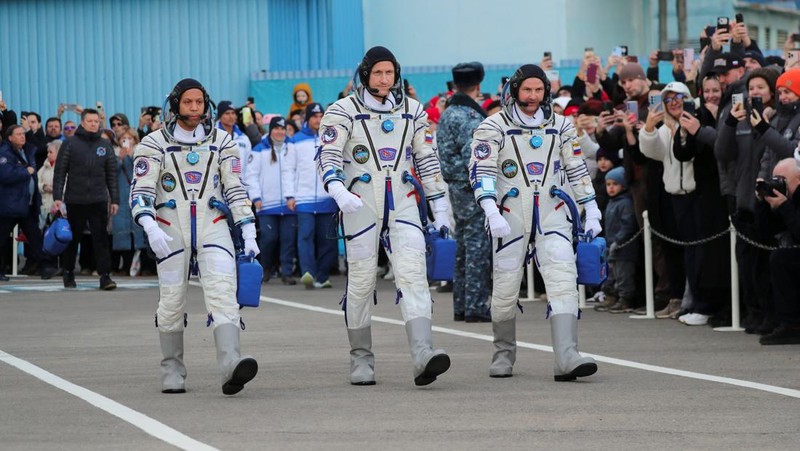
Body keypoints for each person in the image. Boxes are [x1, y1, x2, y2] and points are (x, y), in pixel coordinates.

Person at [317, 46, 453, 386]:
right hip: (359, 204)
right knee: (361, 281)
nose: (383, 79)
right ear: (365, 75)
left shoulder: (413, 111)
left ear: (396, 75)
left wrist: (440, 208)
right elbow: (328, 155)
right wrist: (338, 190)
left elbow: (427, 160)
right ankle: (361, 358)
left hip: (404, 204)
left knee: (413, 274)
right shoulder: (342, 111)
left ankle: (423, 353)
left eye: (388, 73)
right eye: (377, 73)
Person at [469, 64, 600, 381]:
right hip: (509, 215)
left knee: (563, 278)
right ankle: (503, 352)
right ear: (514, 91)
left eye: (538, 90)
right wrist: (490, 210)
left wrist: (591, 208)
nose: (532, 97)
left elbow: (576, 169)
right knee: (505, 287)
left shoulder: (561, 126)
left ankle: (567, 356)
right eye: (527, 90)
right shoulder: (493, 127)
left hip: (553, 214)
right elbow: (481, 173)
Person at [130, 78, 259, 395]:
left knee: (223, 293)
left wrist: (249, 229)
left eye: (199, 102)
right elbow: (141, 192)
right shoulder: (152, 145)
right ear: (175, 105)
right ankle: (172, 370)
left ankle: (231, 366)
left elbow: (235, 190)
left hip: (213, 224)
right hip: (169, 227)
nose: (194, 108)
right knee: (172, 300)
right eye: (188, 102)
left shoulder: (223, 143)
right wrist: (150, 226)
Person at [436, 61, 491, 322]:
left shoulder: (449, 112)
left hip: (456, 187)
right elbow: (475, 158)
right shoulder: (469, 116)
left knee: (464, 248)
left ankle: (461, 304)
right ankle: (476, 306)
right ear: (478, 85)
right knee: (477, 246)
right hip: (472, 188)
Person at [51, 109, 119, 290]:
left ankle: (105, 277)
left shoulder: (104, 144)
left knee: (101, 240)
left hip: (98, 199)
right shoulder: (70, 144)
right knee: (72, 239)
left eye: (96, 121)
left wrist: (114, 200)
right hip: (75, 199)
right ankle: (68, 273)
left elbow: (112, 174)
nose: (93, 124)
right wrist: (58, 197)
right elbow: (60, 173)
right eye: (90, 121)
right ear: (82, 123)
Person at [283, 102, 338, 289]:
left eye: (321, 115)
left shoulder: (332, 138)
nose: (318, 119)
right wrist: (290, 195)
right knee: (305, 236)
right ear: (307, 118)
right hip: (304, 198)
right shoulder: (295, 140)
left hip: (327, 197)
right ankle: (308, 272)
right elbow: (288, 169)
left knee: (328, 240)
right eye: (314, 116)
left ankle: (322, 277)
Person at [244, 116, 298, 285]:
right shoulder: (259, 149)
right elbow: (251, 176)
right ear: (271, 130)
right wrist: (256, 197)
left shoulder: (292, 148)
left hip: (289, 204)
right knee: (269, 238)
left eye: (282, 129)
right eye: (276, 129)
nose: (280, 132)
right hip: (266, 204)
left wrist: (293, 196)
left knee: (288, 240)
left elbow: (295, 173)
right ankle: (266, 269)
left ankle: (287, 272)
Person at [0, 125, 58, 281]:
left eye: (23, 134)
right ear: (10, 137)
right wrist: (25, 172)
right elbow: (5, 175)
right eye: (18, 134)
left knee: (35, 237)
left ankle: (46, 267)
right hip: (10, 204)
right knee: (2, 238)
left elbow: (40, 145)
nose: (22, 136)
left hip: (27, 203)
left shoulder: (27, 151)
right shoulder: (5, 153)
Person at [757, 158, 800, 345]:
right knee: (773, 258)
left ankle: (791, 324)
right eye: (774, 178)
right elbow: (763, 233)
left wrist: (785, 207)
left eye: (781, 179)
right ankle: (777, 319)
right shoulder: (787, 199)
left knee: (781, 259)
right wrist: (763, 204)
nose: (777, 183)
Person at [596, 167, 637, 312]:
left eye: (615, 184)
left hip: (623, 247)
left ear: (623, 185)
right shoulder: (612, 202)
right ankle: (611, 296)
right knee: (612, 274)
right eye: (608, 184)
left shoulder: (625, 203)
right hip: (612, 246)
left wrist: (618, 241)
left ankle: (625, 300)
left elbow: (627, 225)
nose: (611, 187)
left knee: (623, 276)